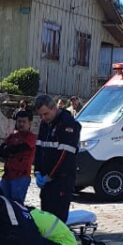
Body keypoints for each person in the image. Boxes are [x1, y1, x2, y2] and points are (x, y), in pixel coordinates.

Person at [34, 92, 80, 222]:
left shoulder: (68, 124)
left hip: (61, 182)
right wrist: (37, 171)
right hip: (46, 182)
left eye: (46, 114)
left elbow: (65, 156)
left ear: (54, 108)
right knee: (46, 220)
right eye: (40, 115)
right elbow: (39, 148)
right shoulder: (45, 124)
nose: (43, 118)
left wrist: (50, 176)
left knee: (57, 222)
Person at [0, 109, 36, 204]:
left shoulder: (31, 137)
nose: (21, 124)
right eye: (19, 121)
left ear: (29, 123)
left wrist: (9, 150)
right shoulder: (12, 137)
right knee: (3, 202)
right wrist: (10, 150)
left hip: (21, 176)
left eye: (24, 122)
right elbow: (0, 152)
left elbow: (20, 148)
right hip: (7, 175)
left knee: (16, 205)